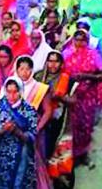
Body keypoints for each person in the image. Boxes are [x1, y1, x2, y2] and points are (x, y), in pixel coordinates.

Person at [63, 29, 102, 168]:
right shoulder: (66, 54)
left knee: (86, 124)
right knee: (72, 125)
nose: (79, 43)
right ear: (73, 40)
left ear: (87, 40)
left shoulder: (93, 54)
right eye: (77, 39)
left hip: (88, 95)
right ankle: (73, 155)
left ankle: (83, 154)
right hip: (72, 95)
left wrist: (86, 76)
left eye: (83, 40)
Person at [0, 77, 37, 189]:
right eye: (9, 92)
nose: (12, 96)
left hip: (23, 157)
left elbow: (33, 135)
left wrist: (18, 132)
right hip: (3, 157)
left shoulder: (29, 110)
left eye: (15, 92)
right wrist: (2, 130)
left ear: (21, 91)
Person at [34, 51, 75, 188]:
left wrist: (60, 97)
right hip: (43, 120)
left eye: (56, 61)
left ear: (61, 63)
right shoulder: (39, 77)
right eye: (50, 61)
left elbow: (74, 100)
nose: (52, 65)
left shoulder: (67, 79)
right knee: (45, 151)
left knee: (60, 151)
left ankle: (62, 181)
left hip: (61, 120)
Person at [14, 56, 53, 189]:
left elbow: (48, 111)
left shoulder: (40, 88)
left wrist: (37, 128)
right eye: (22, 69)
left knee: (35, 163)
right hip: (14, 133)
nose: (25, 72)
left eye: (28, 69)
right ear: (17, 70)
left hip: (35, 132)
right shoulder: (10, 87)